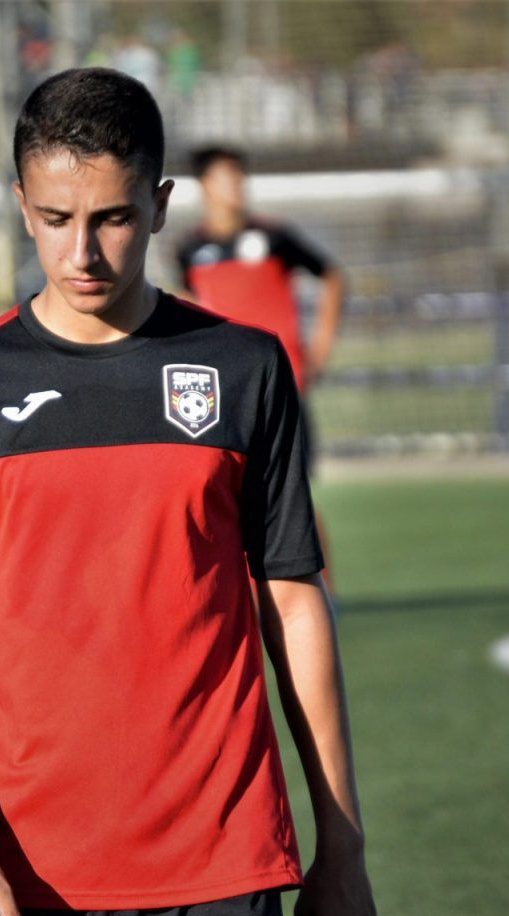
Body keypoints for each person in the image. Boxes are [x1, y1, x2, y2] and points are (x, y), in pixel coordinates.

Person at [0, 68, 376, 916]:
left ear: (160, 203)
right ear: (20, 205)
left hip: (222, 871)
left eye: (111, 217)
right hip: (33, 878)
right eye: (55, 217)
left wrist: (342, 843)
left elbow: (295, 609)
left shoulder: (243, 368)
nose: (83, 250)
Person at [176, 145, 345, 588]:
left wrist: (321, 344)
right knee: (225, 491)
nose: (235, 187)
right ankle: (243, 588)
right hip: (225, 387)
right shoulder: (191, 249)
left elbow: (331, 275)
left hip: (282, 381)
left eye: (239, 177)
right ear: (205, 186)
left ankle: (320, 586)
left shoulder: (275, 238)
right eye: (225, 178)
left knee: (292, 492)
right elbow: (191, 305)